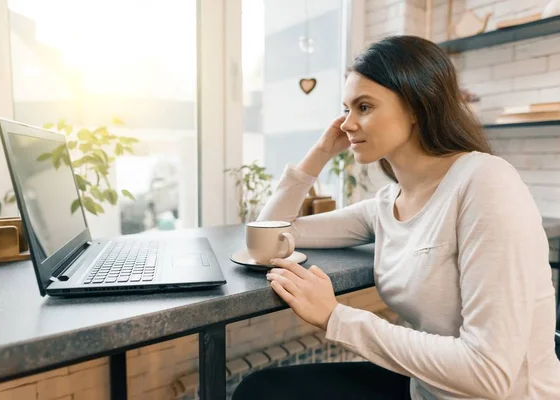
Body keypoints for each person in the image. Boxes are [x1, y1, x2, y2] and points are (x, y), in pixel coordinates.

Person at [232, 35, 560, 400]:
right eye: (346, 109)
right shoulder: (387, 204)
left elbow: (488, 375)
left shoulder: (485, 183)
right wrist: (320, 153)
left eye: (364, 107)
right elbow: (273, 234)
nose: (346, 124)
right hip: (426, 391)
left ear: (418, 107)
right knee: (259, 390)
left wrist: (335, 317)